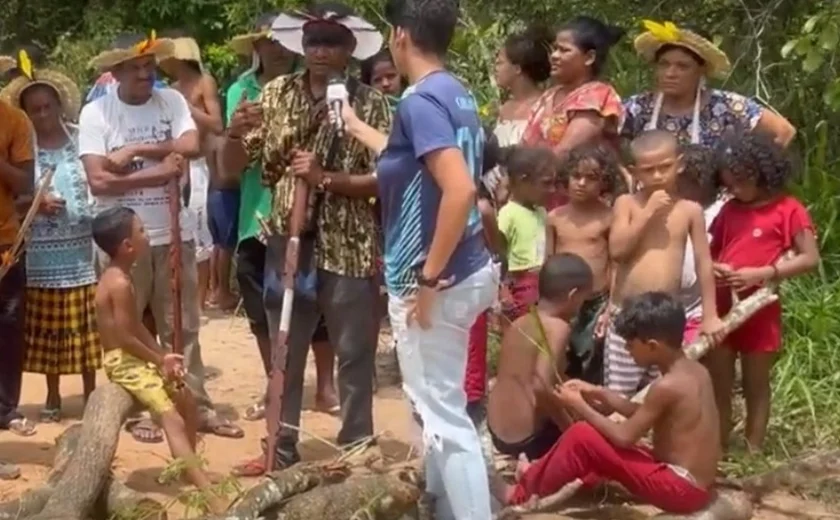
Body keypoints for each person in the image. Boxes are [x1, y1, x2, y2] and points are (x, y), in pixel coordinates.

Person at [339, 0, 499, 515]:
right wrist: (357, 128)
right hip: (469, 266)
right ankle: (440, 501)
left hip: (435, 278)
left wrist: (428, 280)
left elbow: (457, 188)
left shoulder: (417, 101)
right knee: (438, 403)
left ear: (401, 35)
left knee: (444, 416)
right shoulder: (455, 93)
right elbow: (416, 162)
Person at [221, 4, 391, 474]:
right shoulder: (274, 94)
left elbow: (386, 177)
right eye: (313, 40)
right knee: (285, 348)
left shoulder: (372, 104)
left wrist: (325, 179)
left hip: (348, 241)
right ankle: (280, 446)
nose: (320, 50)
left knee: (354, 351)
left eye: (331, 42)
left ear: (349, 50)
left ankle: (357, 445)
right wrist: (233, 134)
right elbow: (231, 168)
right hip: (286, 240)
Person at [79, 32, 242, 443]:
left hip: (174, 234)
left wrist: (135, 150)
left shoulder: (170, 101)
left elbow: (189, 145)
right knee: (130, 330)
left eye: (149, 66)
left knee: (182, 327)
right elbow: (98, 181)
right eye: (135, 68)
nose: (144, 74)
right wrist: (161, 168)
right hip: (123, 243)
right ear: (115, 73)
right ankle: (150, 408)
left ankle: (196, 405)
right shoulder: (96, 114)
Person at [495, 292, 719, 515]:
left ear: (652, 346)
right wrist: (598, 392)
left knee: (582, 435)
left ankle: (519, 494)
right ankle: (540, 475)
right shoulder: (694, 371)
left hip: (682, 490)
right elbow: (644, 412)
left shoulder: (668, 386)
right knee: (597, 441)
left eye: (630, 346)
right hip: (693, 485)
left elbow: (624, 437)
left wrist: (579, 405)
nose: (628, 352)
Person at [92, 206, 227, 514]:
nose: (147, 235)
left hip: (133, 356)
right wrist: (157, 359)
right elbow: (125, 338)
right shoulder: (120, 283)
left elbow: (136, 326)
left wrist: (162, 356)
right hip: (122, 362)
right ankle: (208, 494)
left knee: (186, 398)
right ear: (127, 246)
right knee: (172, 418)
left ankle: (187, 468)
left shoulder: (121, 276)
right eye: (141, 231)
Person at [0, 56, 101, 421]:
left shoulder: (79, 139)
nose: (42, 114)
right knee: (47, 327)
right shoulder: (24, 142)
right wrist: (36, 203)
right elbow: (19, 193)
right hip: (38, 246)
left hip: (79, 245)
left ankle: (92, 393)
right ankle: (53, 396)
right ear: (25, 112)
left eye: (47, 106)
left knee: (83, 325)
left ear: (59, 105)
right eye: (35, 108)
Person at [707, 133, 819, 452]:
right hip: (722, 305)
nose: (735, 190)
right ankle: (718, 446)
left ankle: (753, 449)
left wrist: (764, 273)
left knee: (756, 384)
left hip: (760, 309)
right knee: (719, 383)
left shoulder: (789, 209)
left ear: (762, 172)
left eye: (741, 183)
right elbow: (711, 252)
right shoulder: (729, 210)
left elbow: (810, 258)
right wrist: (717, 268)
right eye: (729, 185)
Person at [218, 13, 304, 422]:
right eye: (271, 41)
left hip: (303, 212)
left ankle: (309, 388)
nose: (280, 49)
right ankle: (275, 385)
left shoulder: (310, 87)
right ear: (258, 48)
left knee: (305, 303)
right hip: (257, 213)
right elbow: (233, 164)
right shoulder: (241, 91)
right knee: (260, 308)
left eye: (286, 41)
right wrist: (236, 132)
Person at [606, 129, 723, 397]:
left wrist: (710, 314)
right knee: (620, 392)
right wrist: (647, 213)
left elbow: (705, 263)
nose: (658, 176)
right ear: (635, 173)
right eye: (649, 170)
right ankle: (617, 437)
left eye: (665, 167)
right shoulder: (626, 204)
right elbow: (617, 251)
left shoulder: (690, 210)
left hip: (666, 317)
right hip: (627, 313)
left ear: (679, 164)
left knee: (664, 391)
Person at [622, 20, 796, 149]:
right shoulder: (637, 108)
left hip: (715, 198)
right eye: (664, 64)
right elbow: (603, 141)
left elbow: (784, 131)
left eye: (682, 66)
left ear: (701, 70)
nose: (670, 73)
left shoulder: (726, 106)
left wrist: (757, 178)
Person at [488, 253, 592, 462]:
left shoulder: (521, 322)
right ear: (572, 295)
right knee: (590, 433)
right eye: (583, 300)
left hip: (497, 432)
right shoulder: (558, 328)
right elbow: (540, 386)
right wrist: (570, 429)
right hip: (527, 440)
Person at [520, 16, 625, 208]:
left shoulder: (598, 96)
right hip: (541, 200)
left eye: (564, 50)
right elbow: (525, 147)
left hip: (583, 208)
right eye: (554, 49)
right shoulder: (548, 97)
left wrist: (522, 180)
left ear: (589, 58)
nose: (554, 56)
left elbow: (565, 151)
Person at [159, 32, 226, 312]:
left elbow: (217, 123)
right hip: (179, 164)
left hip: (201, 165)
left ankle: (199, 301)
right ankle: (186, 298)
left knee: (200, 229)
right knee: (182, 227)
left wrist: (188, 108)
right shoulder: (172, 88)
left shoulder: (203, 83)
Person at [547, 143, 619, 383]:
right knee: (559, 356)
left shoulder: (609, 217)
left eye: (591, 178)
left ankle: (589, 410)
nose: (581, 183)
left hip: (596, 302)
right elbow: (548, 261)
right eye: (576, 176)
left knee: (593, 359)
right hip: (562, 300)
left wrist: (611, 305)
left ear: (604, 183)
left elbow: (616, 263)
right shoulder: (555, 218)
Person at [0, 54, 36, 481]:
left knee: (8, 332)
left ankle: (6, 409)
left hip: (7, 242)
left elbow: (26, 182)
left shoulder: (13, 121)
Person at [484, 26, 552, 193]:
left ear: (517, 68)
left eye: (500, 62)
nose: (495, 68)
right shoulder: (504, 109)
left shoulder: (546, 106)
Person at [496, 145, 555, 331]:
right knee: (521, 335)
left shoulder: (541, 212)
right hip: (519, 285)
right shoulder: (508, 214)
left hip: (542, 283)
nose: (552, 190)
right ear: (523, 181)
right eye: (546, 183)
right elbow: (498, 254)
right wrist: (503, 290)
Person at [675, 144, 726, 344]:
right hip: (668, 308)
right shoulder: (668, 207)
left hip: (700, 309)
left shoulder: (721, 211)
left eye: (683, 181)